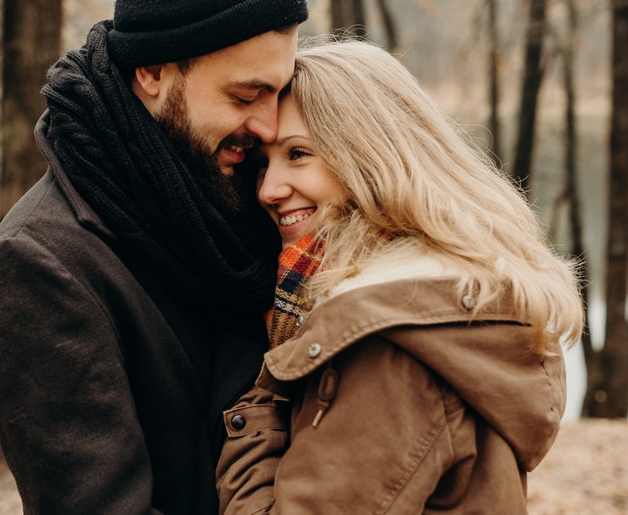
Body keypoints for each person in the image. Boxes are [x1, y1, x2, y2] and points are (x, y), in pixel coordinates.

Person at [0, 0, 308, 513]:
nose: (268, 126)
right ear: (151, 72)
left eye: (277, 93)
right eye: (243, 95)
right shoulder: (39, 267)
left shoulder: (249, 200)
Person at [216, 41, 585, 513]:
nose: (268, 189)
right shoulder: (445, 294)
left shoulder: (388, 340)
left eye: (300, 154)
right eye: (264, 163)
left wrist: (263, 398)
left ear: (371, 156)